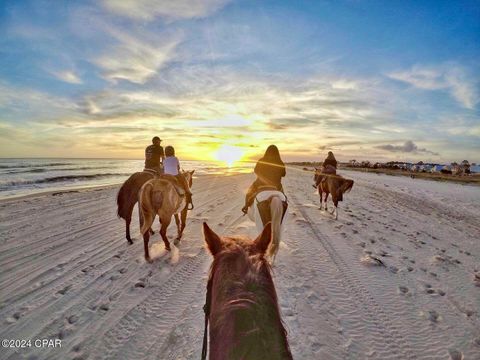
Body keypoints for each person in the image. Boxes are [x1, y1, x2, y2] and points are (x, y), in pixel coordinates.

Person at [242, 145, 286, 214]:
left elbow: (256, 171)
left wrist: (263, 176)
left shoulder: (261, 160)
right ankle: (284, 207)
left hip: (260, 183)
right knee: (284, 197)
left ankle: (246, 207)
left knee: (249, 193)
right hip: (276, 185)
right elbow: (284, 174)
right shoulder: (280, 162)